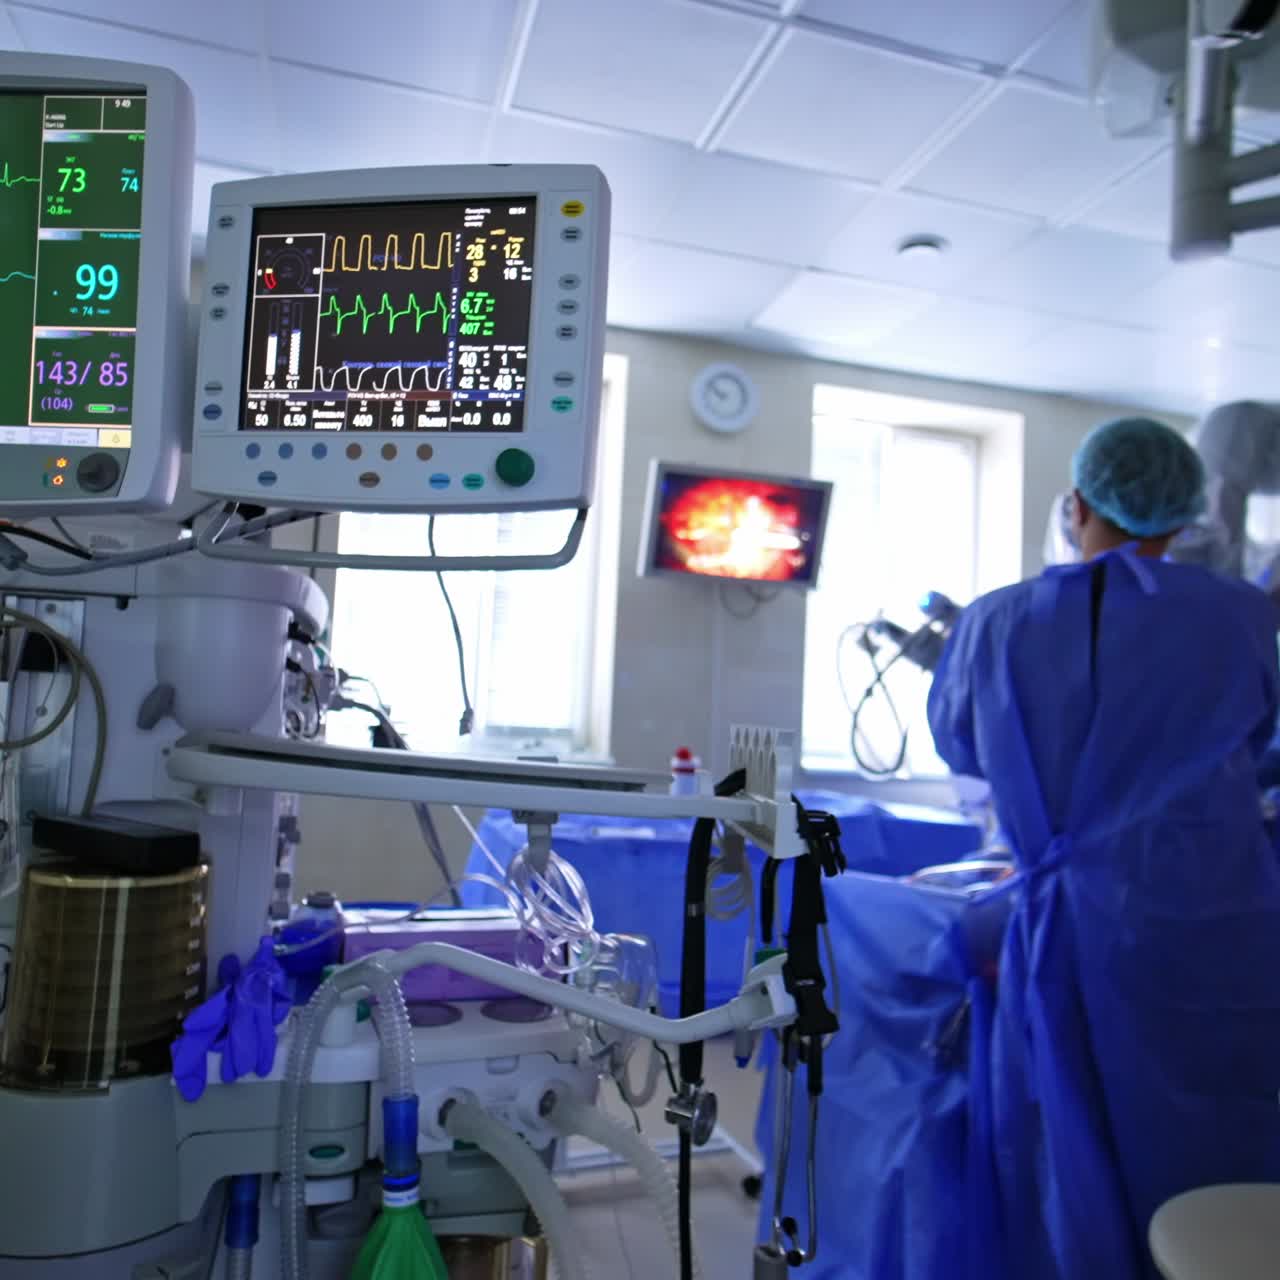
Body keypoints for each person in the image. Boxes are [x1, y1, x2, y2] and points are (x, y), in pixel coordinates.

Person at [927, 417, 1280, 1280]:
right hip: (1218, 929)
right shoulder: (1240, 616)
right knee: (1211, 1130)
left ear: (1076, 503)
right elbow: (1262, 746)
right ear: (1182, 516)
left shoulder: (993, 624)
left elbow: (962, 747)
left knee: (1061, 1137)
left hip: (1064, 934)